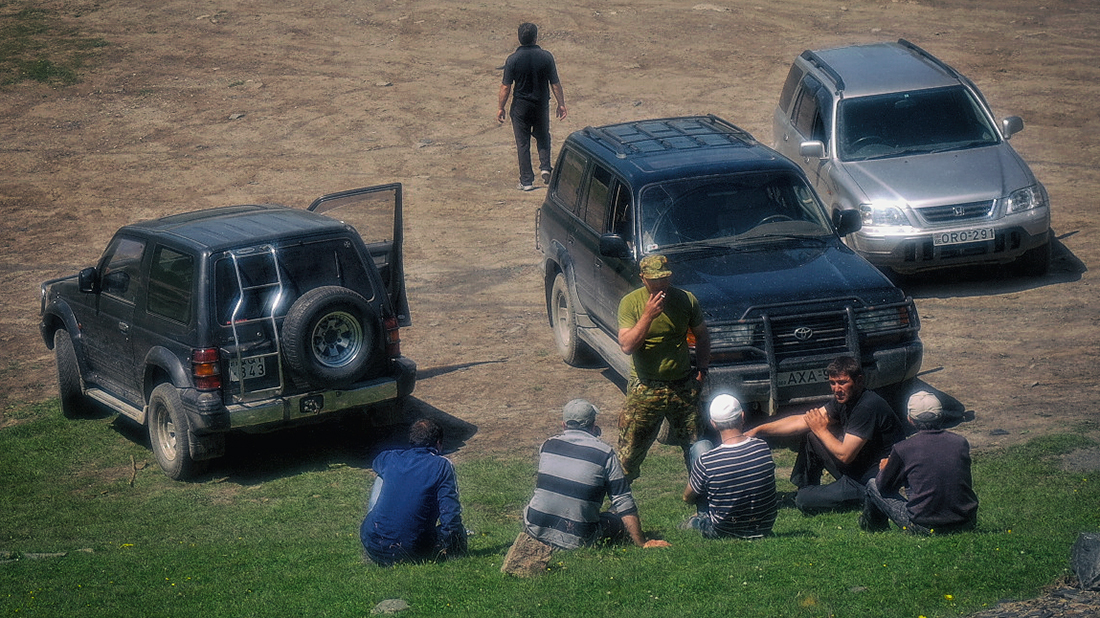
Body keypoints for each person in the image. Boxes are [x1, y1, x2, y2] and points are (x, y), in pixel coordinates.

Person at [746, 356, 903, 514]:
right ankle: (806, 487)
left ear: (859, 381)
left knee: (804, 500)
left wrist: (821, 429)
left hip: (870, 482)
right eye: (832, 383)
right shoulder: (843, 400)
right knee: (812, 436)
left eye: (842, 382)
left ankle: (815, 495)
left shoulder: (868, 406)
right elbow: (801, 421)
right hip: (857, 468)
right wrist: (759, 430)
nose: (836, 389)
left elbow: (845, 455)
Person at [524, 399, 671, 550]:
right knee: (616, 517)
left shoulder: (547, 445)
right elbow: (623, 501)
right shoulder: (604, 453)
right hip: (578, 539)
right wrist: (642, 542)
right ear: (593, 425)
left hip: (535, 529)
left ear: (564, 424)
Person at [616, 254, 710, 480]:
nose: (660, 285)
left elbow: (702, 336)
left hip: (682, 385)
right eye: (654, 280)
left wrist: (702, 372)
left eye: (664, 279)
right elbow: (627, 346)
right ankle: (619, 498)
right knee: (629, 452)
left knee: (696, 446)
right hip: (646, 386)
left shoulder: (686, 300)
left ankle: (704, 498)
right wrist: (648, 316)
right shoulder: (631, 303)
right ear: (642, 278)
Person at [861, 391, 979, 534]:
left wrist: (885, 468)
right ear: (941, 416)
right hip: (966, 521)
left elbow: (884, 485)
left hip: (925, 525)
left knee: (872, 485)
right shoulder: (960, 442)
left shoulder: (903, 448)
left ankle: (874, 529)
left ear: (910, 419)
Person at [360, 418, 468, 566]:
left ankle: (382, 529)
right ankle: (453, 557)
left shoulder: (390, 457)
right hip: (410, 549)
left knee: (382, 475)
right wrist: (453, 542)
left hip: (371, 542)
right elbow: (450, 515)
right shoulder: (441, 466)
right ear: (438, 443)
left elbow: (376, 462)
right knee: (456, 531)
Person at [682, 394, 778, 539]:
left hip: (723, 530)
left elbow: (687, 497)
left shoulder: (707, 461)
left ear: (713, 423)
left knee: (700, 446)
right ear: (742, 416)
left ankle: (697, 520)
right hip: (763, 526)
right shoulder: (762, 447)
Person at [497, 22, 567, 191]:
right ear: (536, 37)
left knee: (523, 143)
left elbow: (506, 87)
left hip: (520, 106)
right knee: (543, 136)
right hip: (541, 104)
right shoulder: (546, 57)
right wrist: (561, 104)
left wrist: (501, 107)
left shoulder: (512, 59)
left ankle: (526, 181)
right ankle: (545, 167)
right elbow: (555, 83)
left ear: (519, 38)